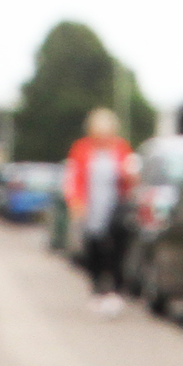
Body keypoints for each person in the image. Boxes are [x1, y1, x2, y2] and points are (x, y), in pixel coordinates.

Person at [64, 107, 135, 314]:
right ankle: (96, 290)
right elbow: (73, 177)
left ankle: (115, 292)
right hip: (91, 206)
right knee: (93, 249)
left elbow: (130, 176)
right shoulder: (81, 149)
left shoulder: (121, 148)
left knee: (115, 250)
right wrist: (76, 203)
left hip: (115, 208)